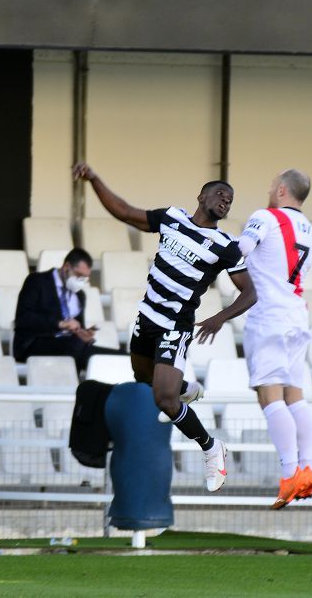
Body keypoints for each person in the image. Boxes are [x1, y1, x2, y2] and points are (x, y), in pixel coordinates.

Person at [72, 163, 257, 493]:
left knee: (164, 399)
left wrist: (219, 317)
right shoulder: (173, 218)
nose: (225, 200)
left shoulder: (225, 245)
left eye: (230, 199)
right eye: (219, 193)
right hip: (147, 317)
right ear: (201, 196)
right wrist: (95, 179)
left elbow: (250, 292)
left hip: (175, 325)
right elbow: (126, 212)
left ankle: (211, 447)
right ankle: (185, 384)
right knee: (144, 380)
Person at [235, 169, 312, 509]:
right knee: (294, 394)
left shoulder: (265, 217)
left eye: (272, 186)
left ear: (282, 190)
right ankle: (308, 467)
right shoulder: (311, 231)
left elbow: (241, 249)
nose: (270, 191)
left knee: (269, 395)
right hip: (297, 314)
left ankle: (289, 475)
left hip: (269, 315)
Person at [12, 248, 126, 372]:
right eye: (78, 275)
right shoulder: (37, 281)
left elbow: (77, 328)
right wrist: (60, 323)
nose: (80, 281)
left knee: (120, 356)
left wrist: (83, 334)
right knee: (76, 346)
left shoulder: (79, 295)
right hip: (35, 343)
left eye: (85, 278)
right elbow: (23, 318)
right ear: (66, 267)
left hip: (70, 344)